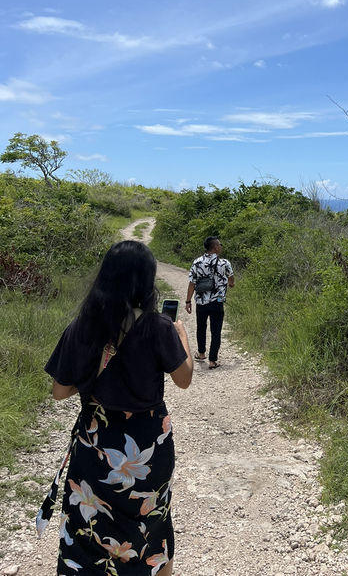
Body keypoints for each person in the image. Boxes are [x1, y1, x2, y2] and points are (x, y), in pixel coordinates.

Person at [38, 240, 192, 576]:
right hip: (149, 450)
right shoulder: (158, 326)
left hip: (95, 448)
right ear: (146, 282)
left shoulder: (83, 327)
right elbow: (184, 379)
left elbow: (59, 391)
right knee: (152, 525)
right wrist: (181, 334)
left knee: (87, 529)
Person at [185, 236, 234, 369]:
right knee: (216, 330)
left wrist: (188, 301)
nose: (221, 246)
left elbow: (192, 283)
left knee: (201, 327)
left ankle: (201, 354)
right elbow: (231, 281)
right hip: (217, 302)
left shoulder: (197, 262)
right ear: (216, 247)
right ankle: (212, 361)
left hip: (201, 301)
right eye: (220, 244)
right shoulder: (224, 263)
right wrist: (229, 284)